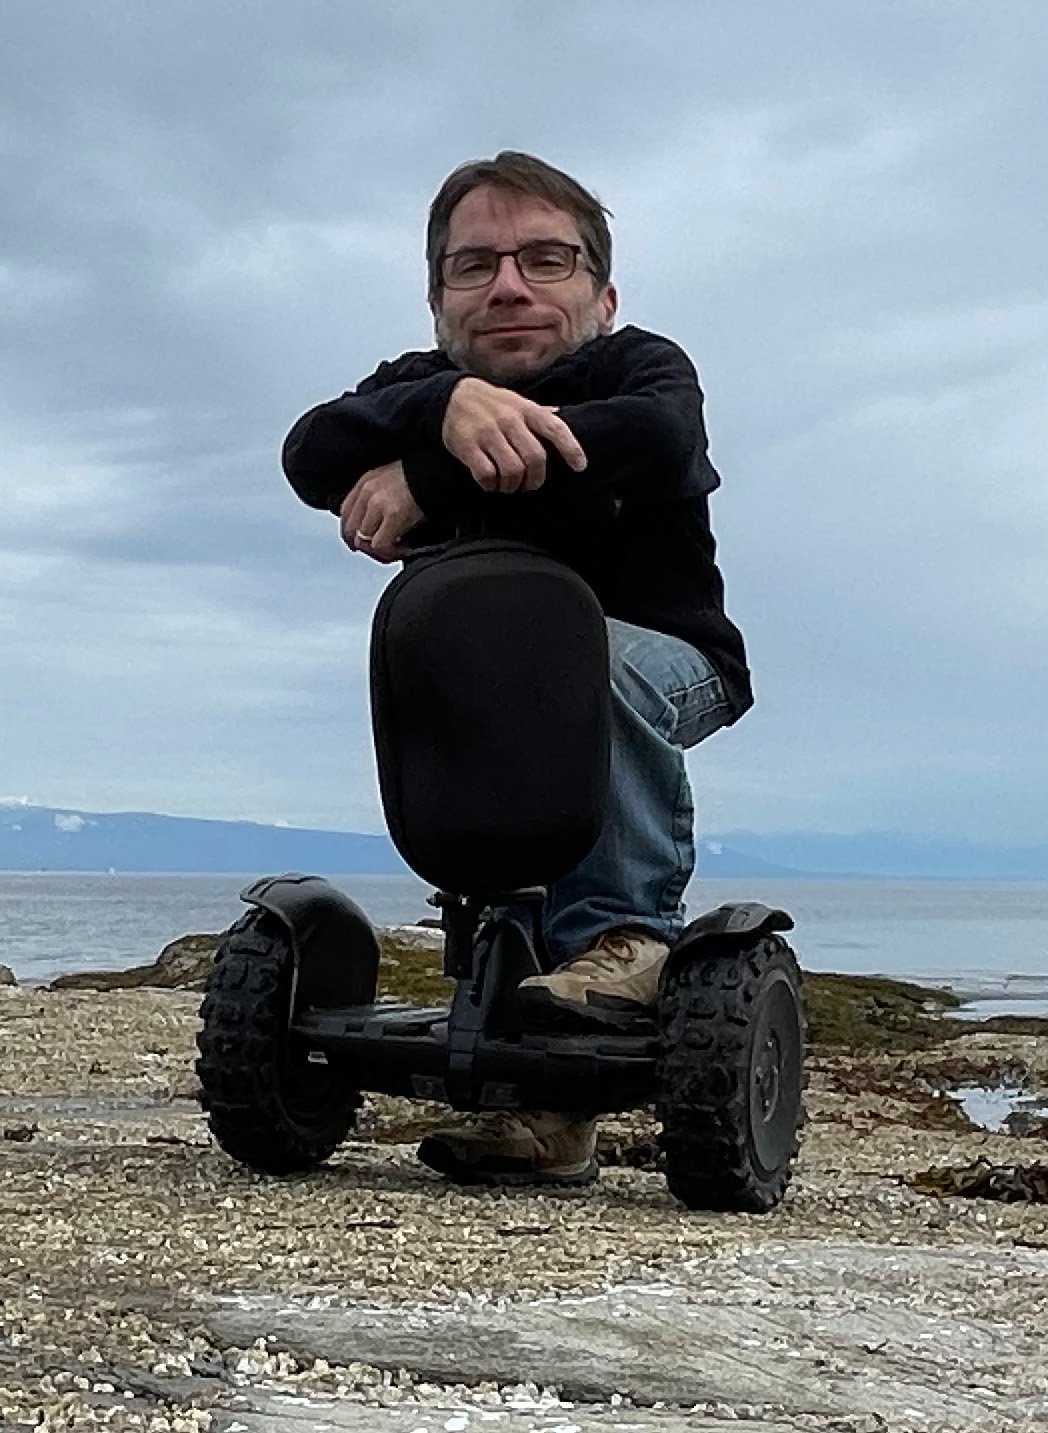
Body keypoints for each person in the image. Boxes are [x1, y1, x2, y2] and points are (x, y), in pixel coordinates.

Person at [282, 151, 753, 1187]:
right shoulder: (416, 388)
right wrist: (438, 403)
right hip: (498, 690)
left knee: (594, 664)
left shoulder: (640, 371)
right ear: (439, 297)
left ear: (601, 291)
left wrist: (424, 464)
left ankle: (627, 937)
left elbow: (651, 438)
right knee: (492, 753)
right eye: (475, 265)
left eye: (544, 259)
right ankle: (538, 1100)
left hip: (664, 659)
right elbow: (311, 450)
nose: (508, 285)